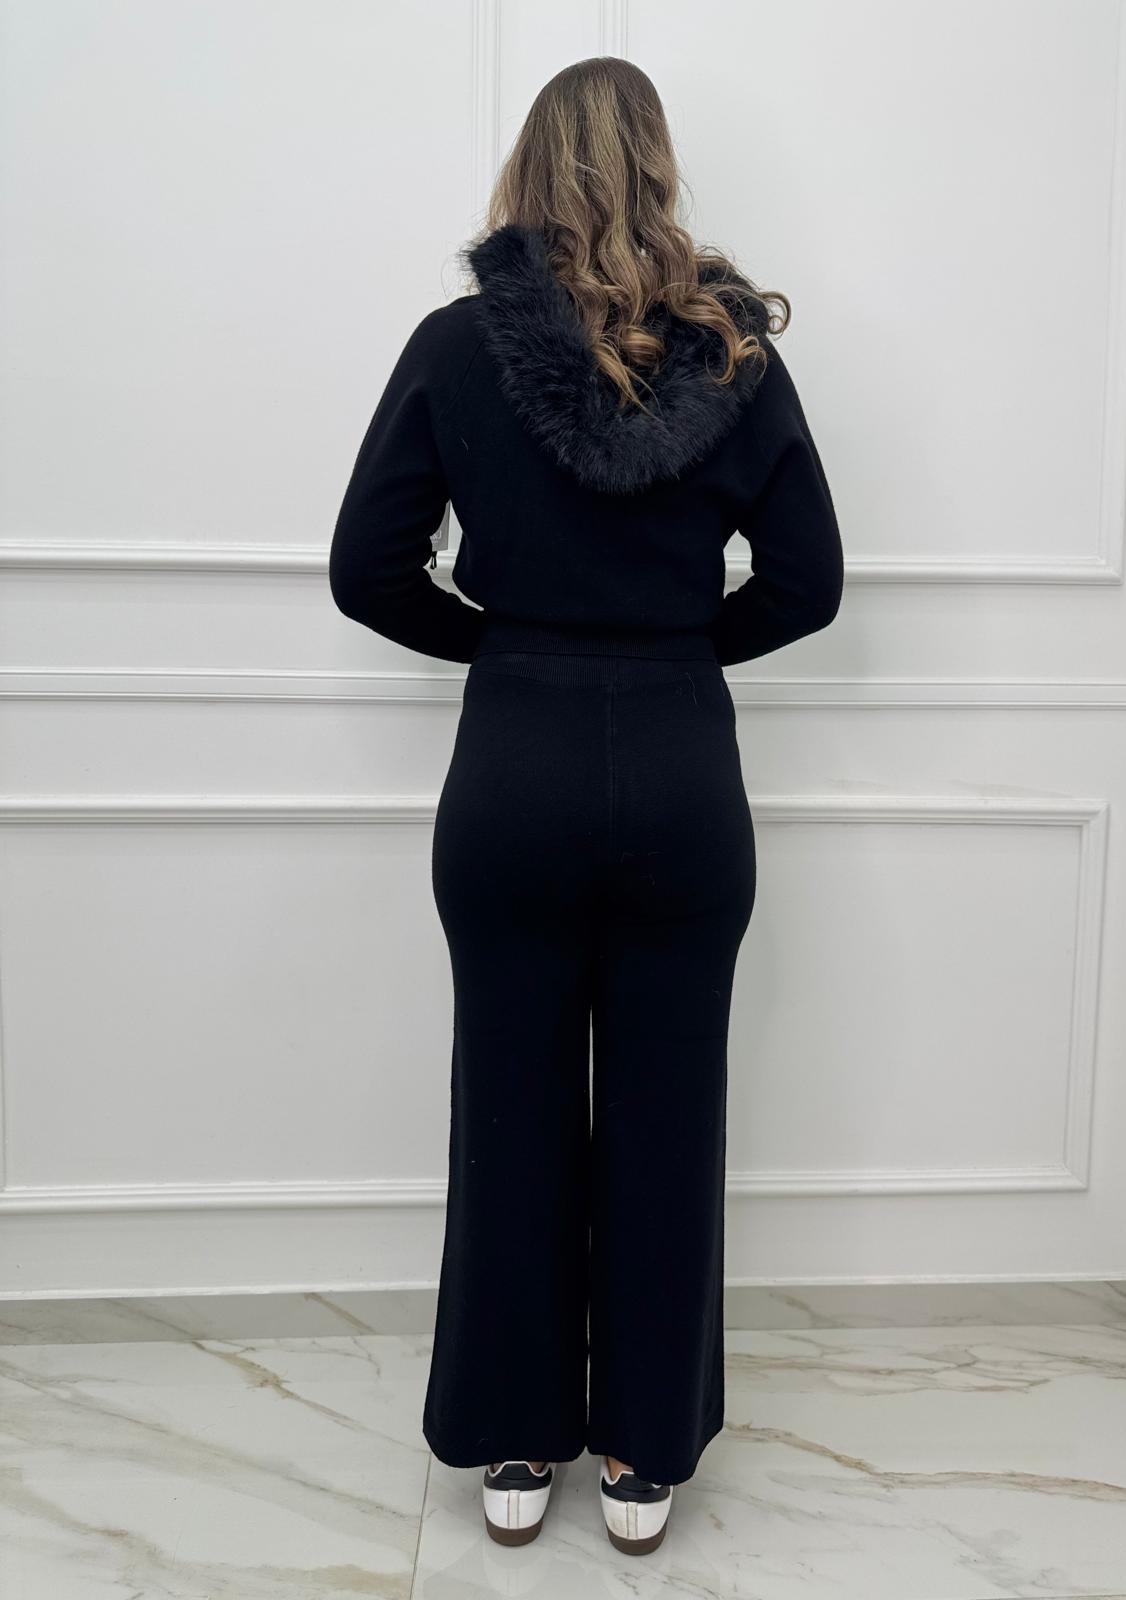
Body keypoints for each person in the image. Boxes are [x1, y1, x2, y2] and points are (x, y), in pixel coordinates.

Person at [328, 55, 844, 1556]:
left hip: (516, 764)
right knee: (670, 1115)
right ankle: (643, 1458)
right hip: (682, 769)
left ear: (526, 172)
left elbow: (367, 569)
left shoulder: (457, 346)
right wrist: (676, 645)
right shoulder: (733, 355)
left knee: (512, 1105)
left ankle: (514, 1441)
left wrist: (501, 644)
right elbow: (807, 585)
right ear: (658, 169)